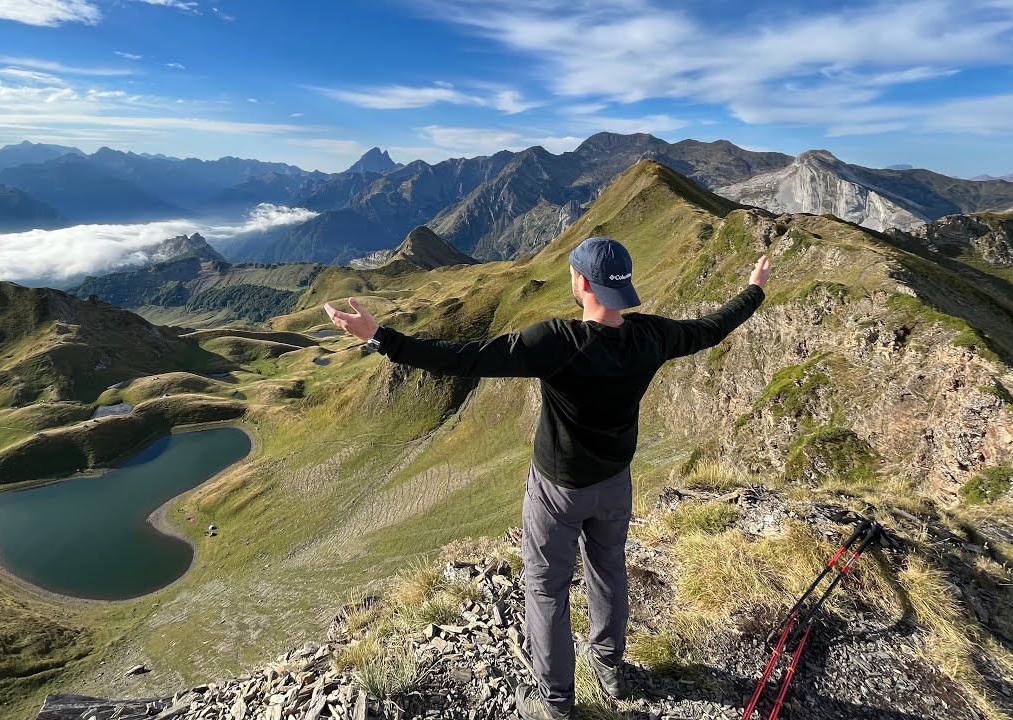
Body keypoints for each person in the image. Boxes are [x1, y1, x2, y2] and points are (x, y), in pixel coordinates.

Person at [325, 237, 770, 719]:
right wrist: (753, 291)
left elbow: (467, 357)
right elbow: (711, 329)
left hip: (557, 490)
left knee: (545, 589)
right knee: (608, 571)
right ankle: (610, 668)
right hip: (615, 484)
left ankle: (556, 705)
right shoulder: (651, 337)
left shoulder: (556, 342)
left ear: (582, 282)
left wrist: (380, 337)